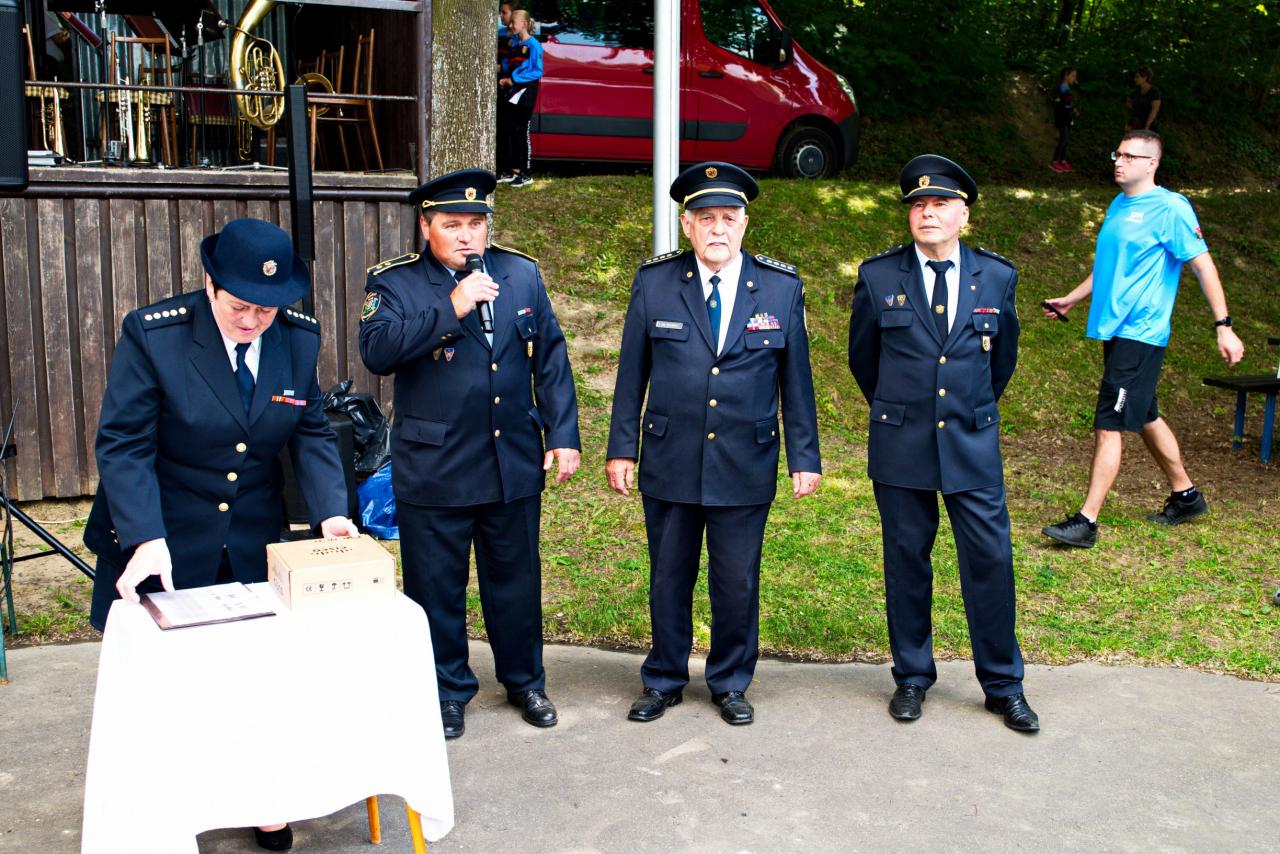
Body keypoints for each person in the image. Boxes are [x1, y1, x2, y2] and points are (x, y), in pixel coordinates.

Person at [83, 217, 359, 852]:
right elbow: (123, 443)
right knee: (169, 683)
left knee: (256, 674)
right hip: (164, 530)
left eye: (266, 310)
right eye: (240, 307)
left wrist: (330, 513)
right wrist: (144, 535)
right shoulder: (155, 335)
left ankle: (262, 794)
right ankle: (169, 799)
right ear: (210, 285)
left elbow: (311, 431)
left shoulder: (297, 339)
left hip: (251, 534)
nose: (253, 321)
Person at [359, 168, 580, 740]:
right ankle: (446, 690)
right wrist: (452, 306)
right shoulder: (395, 282)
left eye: (475, 224)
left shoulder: (520, 274)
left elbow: (550, 358)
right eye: (452, 224)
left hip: (510, 462)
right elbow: (377, 352)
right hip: (435, 466)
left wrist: (562, 435)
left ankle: (525, 681)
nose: (466, 235)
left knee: (516, 582)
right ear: (426, 226)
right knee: (437, 589)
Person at [606, 162, 822, 726]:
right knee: (668, 577)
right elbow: (631, 373)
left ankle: (730, 682)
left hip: (745, 460)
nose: (718, 228)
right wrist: (622, 448)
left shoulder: (780, 287)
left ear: (745, 223)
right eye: (706, 219)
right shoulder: (655, 283)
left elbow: (796, 381)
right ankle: (663, 678)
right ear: (687, 225)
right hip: (670, 457)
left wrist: (805, 457)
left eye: (728, 217)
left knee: (736, 581)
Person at [848, 154, 1039, 734]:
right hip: (901, 445)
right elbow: (864, 361)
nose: (927, 212)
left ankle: (1003, 686)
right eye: (918, 204)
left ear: (964, 216)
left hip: (971, 444)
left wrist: (964, 410)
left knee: (990, 561)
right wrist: (903, 410)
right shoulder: (879, 276)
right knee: (907, 562)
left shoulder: (997, 277)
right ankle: (911, 676)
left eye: (940, 204)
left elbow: (1001, 362)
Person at [1041, 131, 1245, 549]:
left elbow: (1203, 266)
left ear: (1152, 163)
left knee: (1109, 422)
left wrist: (1223, 324)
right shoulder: (1119, 204)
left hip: (1142, 330)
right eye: (1118, 154)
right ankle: (1186, 496)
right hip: (1117, 328)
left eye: (1131, 156)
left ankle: (1086, 521)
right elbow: (1110, 265)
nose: (1120, 162)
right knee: (1145, 412)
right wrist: (1073, 299)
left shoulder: (1171, 208)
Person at [496, 9, 542, 188]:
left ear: (523, 24)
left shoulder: (534, 45)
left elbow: (537, 71)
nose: (510, 25)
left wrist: (514, 79)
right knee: (508, 127)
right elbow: (509, 64)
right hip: (514, 89)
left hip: (527, 90)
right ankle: (507, 170)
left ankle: (526, 173)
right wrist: (504, 76)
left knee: (523, 130)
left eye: (513, 22)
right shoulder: (515, 43)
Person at [1050, 67, 1078, 173]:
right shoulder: (1061, 88)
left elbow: (1068, 102)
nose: (1074, 78)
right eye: (1073, 76)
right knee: (1063, 139)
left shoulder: (1067, 88)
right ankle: (1054, 161)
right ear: (1066, 75)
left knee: (1066, 140)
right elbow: (1060, 104)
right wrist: (1068, 109)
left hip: (1068, 117)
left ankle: (1062, 160)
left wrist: (1073, 109)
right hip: (1062, 117)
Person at [1126, 67, 1162, 132]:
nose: (1135, 79)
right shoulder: (1136, 92)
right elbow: (1128, 101)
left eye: (1137, 77)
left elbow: (1154, 110)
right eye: (1135, 77)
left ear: (1145, 78)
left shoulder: (1154, 92)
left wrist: (1147, 126)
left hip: (1150, 126)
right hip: (1135, 124)